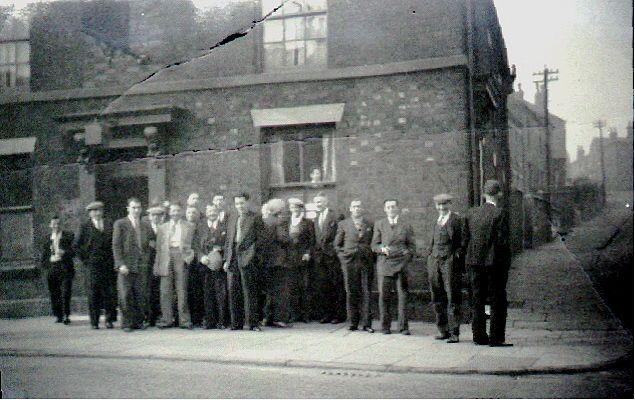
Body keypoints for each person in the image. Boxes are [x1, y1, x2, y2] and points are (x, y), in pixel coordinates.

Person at [464, 180, 513, 347]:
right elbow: (502, 243)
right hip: (494, 265)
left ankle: (478, 337)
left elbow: (466, 241)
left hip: (474, 263)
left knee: (477, 300)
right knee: (497, 300)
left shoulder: (471, 213)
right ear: (499, 194)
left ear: (484, 195)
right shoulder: (500, 214)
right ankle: (496, 338)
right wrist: (506, 264)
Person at [371, 199, 416, 335]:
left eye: (393, 206)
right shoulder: (380, 224)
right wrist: (382, 249)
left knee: (403, 296)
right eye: (388, 207)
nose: (391, 209)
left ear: (398, 208)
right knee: (384, 296)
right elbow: (374, 245)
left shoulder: (406, 225)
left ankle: (403, 327)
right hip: (385, 264)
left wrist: (406, 256)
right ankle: (385, 326)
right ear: (385, 209)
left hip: (401, 265)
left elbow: (412, 247)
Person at [426, 194, 466, 343]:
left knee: (453, 296)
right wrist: (430, 257)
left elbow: (463, 242)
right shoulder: (435, 220)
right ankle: (443, 330)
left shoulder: (456, 220)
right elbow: (431, 241)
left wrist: (455, 257)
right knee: (437, 296)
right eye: (439, 205)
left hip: (449, 263)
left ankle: (454, 332)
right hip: (434, 262)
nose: (442, 208)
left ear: (450, 204)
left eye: (445, 205)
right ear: (436, 206)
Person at [224, 193, 264, 331]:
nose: (240, 206)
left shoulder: (256, 218)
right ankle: (236, 323)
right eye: (237, 204)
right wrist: (226, 259)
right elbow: (228, 240)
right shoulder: (232, 218)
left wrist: (251, 256)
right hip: (233, 256)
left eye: (242, 203)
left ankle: (252, 323)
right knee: (233, 289)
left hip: (248, 256)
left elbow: (260, 240)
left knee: (249, 290)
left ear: (248, 202)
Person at [334, 200, 375, 333]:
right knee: (351, 291)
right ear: (350, 209)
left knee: (366, 292)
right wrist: (343, 258)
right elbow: (337, 245)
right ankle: (353, 322)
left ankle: (367, 323)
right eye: (354, 207)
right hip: (349, 262)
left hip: (366, 262)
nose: (357, 209)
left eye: (359, 206)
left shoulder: (370, 224)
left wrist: (370, 256)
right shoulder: (343, 224)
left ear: (362, 209)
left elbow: (374, 243)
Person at [74, 201, 117, 329]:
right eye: (95, 211)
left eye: (100, 210)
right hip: (92, 266)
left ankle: (109, 320)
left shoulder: (109, 224)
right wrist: (86, 260)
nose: (98, 213)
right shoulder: (85, 226)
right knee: (93, 293)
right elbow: (76, 246)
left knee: (109, 292)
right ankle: (94, 321)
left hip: (108, 264)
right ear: (90, 213)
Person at [153, 202, 196, 329]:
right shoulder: (162, 227)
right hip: (166, 257)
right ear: (169, 212)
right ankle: (167, 319)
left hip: (181, 256)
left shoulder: (189, 226)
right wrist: (157, 264)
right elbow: (159, 248)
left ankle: (184, 320)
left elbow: (195, 244)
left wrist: (189, 257)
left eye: (178, 210)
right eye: (173, 211)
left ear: (181, 212)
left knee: (182, 289)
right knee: (165, 290)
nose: (175, 213)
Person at [112, 197, 148, 332]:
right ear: (128, 208)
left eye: (139, 208)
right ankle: (127, 323)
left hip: (140, 264)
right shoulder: (120, 223)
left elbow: (148, 243)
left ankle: (138, 322)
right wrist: (120, 264)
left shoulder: (144, 224)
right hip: (125, 265)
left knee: (139, 294)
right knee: (125, 294)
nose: (136, 210)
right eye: (133, 207)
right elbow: (116, 245)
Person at [193, 204, 228, 329]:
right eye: (209, 211)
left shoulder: (224, 227)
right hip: (205, 264)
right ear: (206, 213)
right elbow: (195, 245)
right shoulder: (200, 227)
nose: (212, 213)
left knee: (220, 294)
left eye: (214, 211)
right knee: (207, 293)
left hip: (219, 265)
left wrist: (222, 253)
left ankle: (221, 321)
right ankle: (209, 320)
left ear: (218, 212)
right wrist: (201, 256)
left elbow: (228, 245)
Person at [281, 198, 315, 324]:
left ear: (301, 209)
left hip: (302, 258)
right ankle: (293, 314)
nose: (294, 210)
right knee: (291, 286)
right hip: (289, 258)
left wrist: (307, 253)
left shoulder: (308, 223)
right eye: (292, 208)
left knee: (304, 286)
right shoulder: (286, 222)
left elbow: (312, 241)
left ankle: (305, 314)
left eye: (297, 208)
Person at [313, 193, 345, 324]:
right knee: (323, 286)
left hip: (333, 256)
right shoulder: (316, 218)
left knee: (336, 285)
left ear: (326, 202)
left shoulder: (336, 216)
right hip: (320, 258)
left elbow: (341, 234)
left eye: (320, 202)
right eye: (316, 202)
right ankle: (327, 314)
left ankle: (339, 315)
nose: (318, 204)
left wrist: (334, 249)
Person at [41, 215, 75, 325]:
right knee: (54, 292)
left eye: (58, 224)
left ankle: (66, 315)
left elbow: (74, 252)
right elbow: (44, 256)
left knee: (66, 292)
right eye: (54, 224)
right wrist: (48, 263)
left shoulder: (69, 236)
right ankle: (58, 315)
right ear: (50, 225)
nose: (56, 226)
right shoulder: (47, 238)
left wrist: (64, 252)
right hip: (52, 268)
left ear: (61, 225)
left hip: (65, 267)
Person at [258, 199, 287, 327]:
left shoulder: (262, 222)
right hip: (277, 262)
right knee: (277, 291)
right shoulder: (278, 222)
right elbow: (283, 238)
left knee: (265, 291)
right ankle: (275, 318)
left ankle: (265, 317)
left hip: (264, 261)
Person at [141, 204, 164, 327]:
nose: (155, 217)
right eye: (153, 215)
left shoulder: (164, 228)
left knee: (159, 289)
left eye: (158, 215)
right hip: (147, 263)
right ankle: (148, 316)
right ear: (149, 216)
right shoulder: (144, 228)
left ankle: (158, 314)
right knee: (147, 289)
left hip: (161, 261)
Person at [185, 205, 205, 327]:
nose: (191, 215)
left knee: (198, 290)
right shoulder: (182, 227)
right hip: (186, 262)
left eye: (194, 212)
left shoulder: (202, 227)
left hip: (199, 262)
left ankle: (199, 317)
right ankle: (189, 317)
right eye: (189, 212)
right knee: (187, 290)